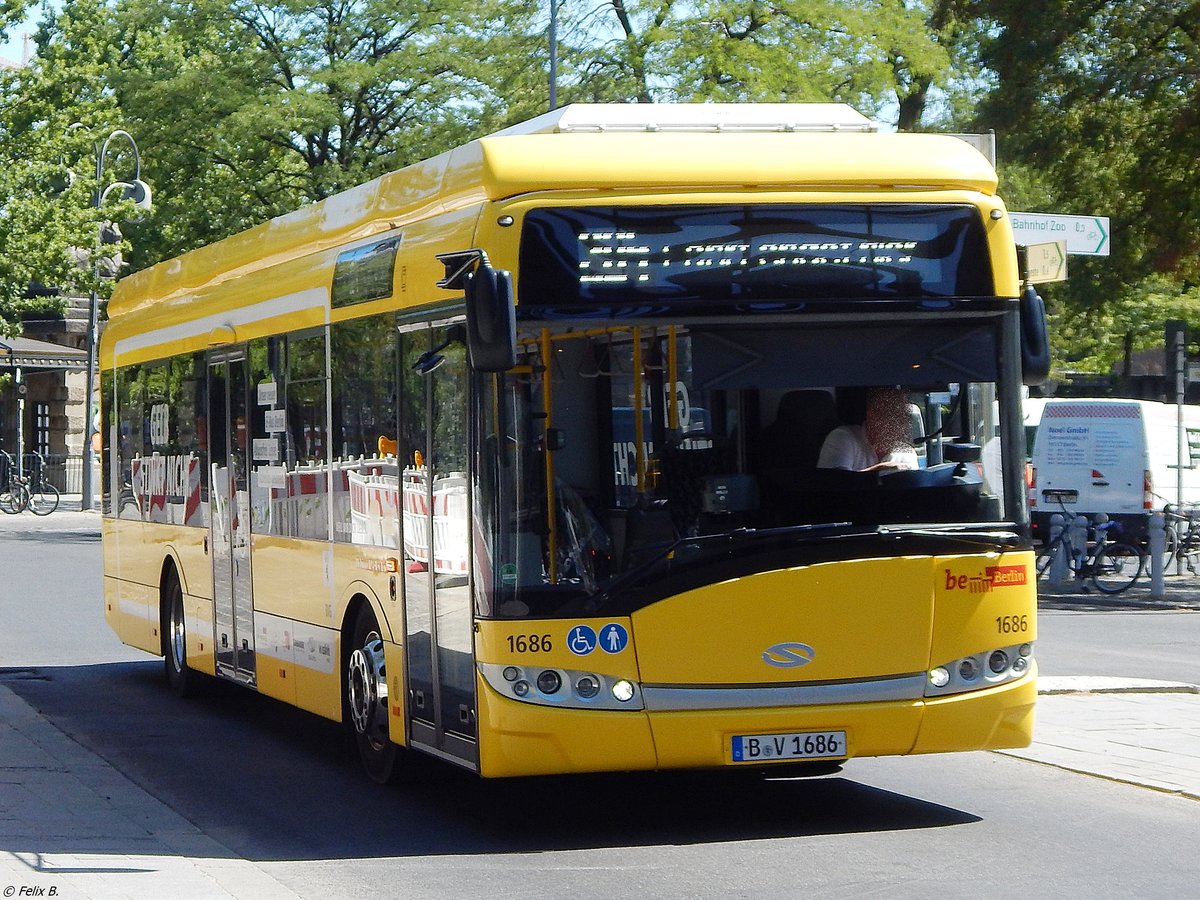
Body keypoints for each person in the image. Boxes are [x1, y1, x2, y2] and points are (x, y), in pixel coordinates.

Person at [817, 386, 918, 472]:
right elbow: (835, 484)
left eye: (900, 415)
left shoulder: (906, 452)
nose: (896, 421)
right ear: (871, 415)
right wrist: (880, 471)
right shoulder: (842, 437)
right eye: (888, 414)